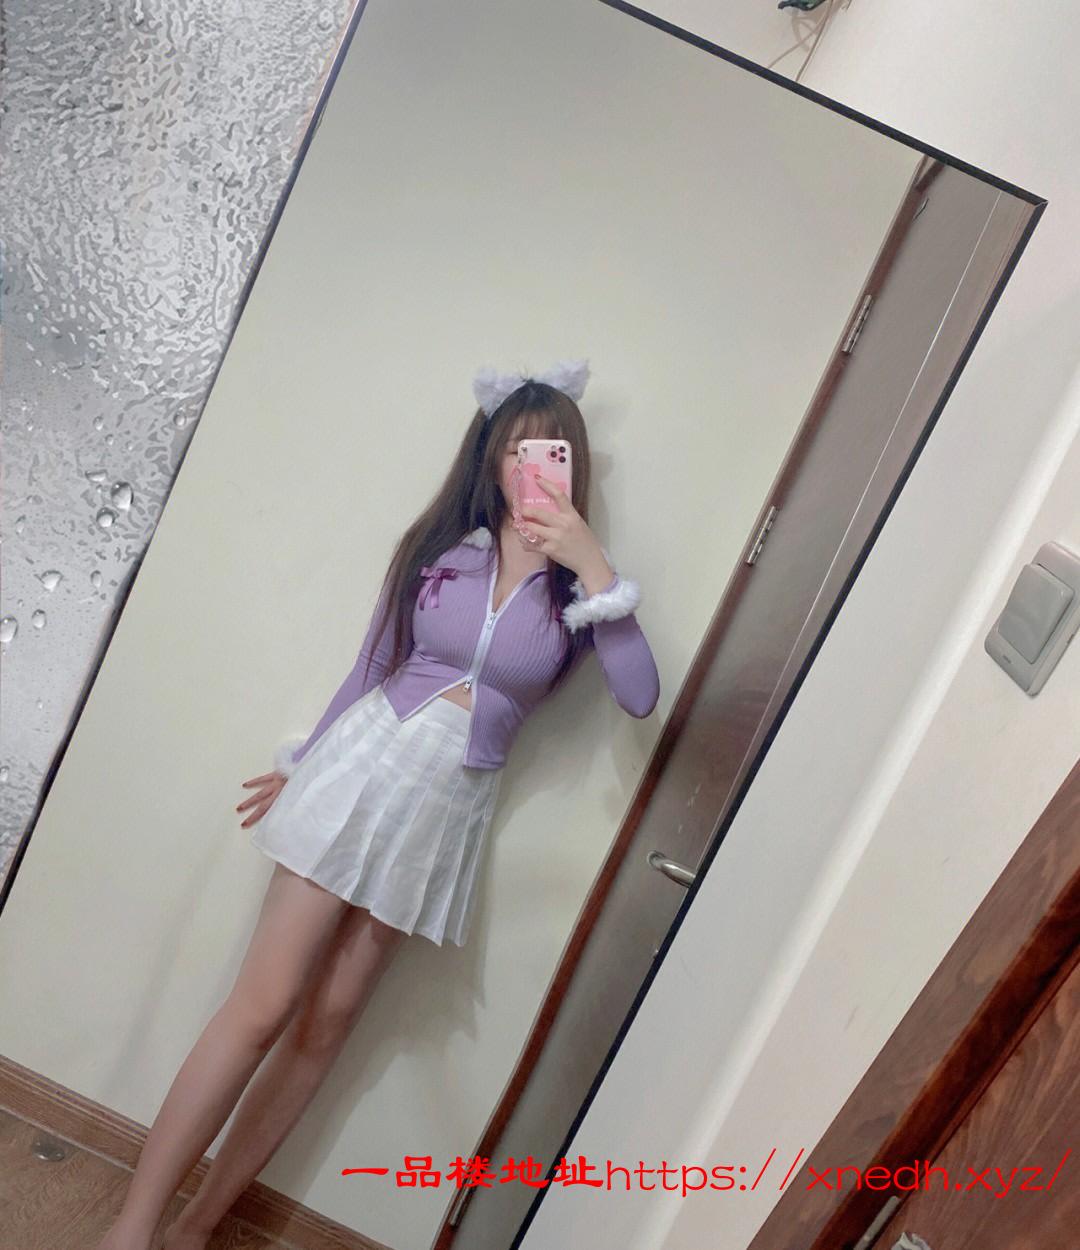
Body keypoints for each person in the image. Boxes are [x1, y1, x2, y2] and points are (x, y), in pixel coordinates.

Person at [95, 358, 660, 1250]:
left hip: (445, 813)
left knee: (324, 1027)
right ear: (491, 458)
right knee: (262, 1006)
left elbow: (639, 694)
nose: (532, 469)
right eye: (516, 450)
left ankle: (195, 1227)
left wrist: (590, 560)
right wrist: (305, 767)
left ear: (571, 464)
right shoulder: (442, 552)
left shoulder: (577, 596)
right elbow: (371, 666)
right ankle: (132, 1228)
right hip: (363, 770)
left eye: (549, 452)